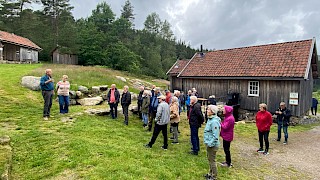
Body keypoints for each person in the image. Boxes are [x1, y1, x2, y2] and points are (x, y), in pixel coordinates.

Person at [203, 105, 221, 180]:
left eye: (208, 110)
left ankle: (214, 176)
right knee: (210, 159)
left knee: (212, 160)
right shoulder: (210, 119)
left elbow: (215, 135)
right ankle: (210, 173)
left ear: (212, 112)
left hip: (212, 145)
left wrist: (210, 144)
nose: (207, 111)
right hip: (209, 143)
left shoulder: (214, 122)